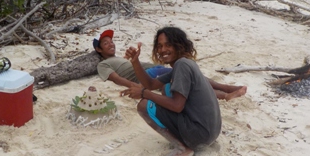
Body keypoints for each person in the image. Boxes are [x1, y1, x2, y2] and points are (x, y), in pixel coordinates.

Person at [120, 27, 223, 156]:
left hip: (200, 136)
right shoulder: (185, 64)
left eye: (168, 45)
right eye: (160, 46)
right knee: (167, 87)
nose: (163, 50)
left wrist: (144, 94)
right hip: (211, 133)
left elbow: (177, 106)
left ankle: (182, 148)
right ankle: (184, 138)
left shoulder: (182, 65)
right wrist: (135, 62)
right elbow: (151, 84)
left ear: (179, 45)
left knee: (144, 105)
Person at [94, 29, 247, 100]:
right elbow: (116, 79)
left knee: (190, 78)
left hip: (156, 70)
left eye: (111, 41)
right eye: (106, 43)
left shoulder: (119, 58)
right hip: (149, 75)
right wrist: (134, 86)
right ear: (98, 49)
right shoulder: (103, 64)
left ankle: (227, 89)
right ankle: (225, 94)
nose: (111, 44)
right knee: (186, 82)